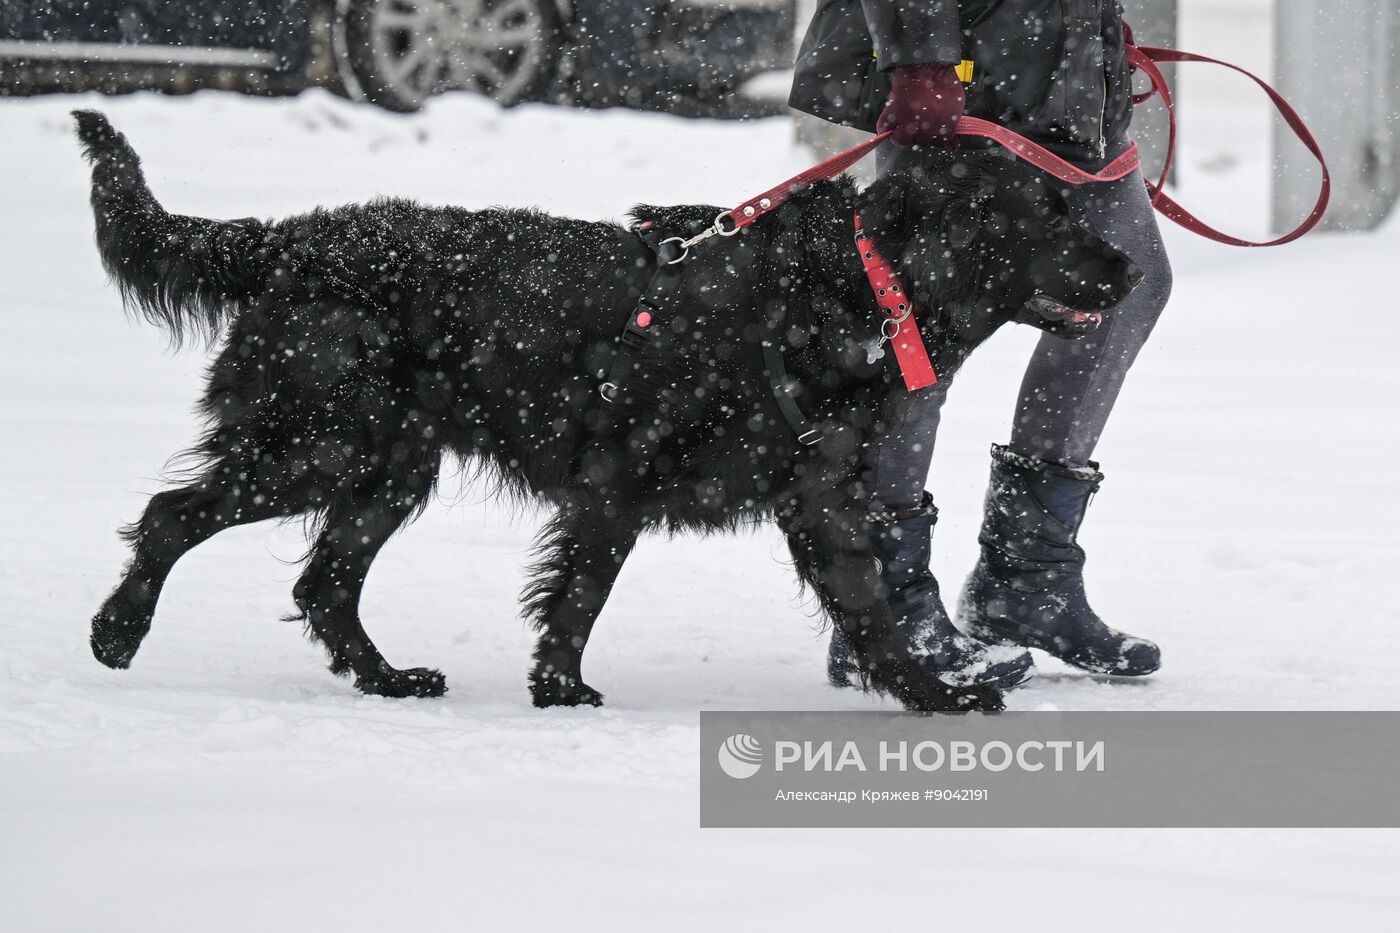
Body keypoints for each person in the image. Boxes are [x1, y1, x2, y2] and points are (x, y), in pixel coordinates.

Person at [789, 0, 1171, 688]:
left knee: (1129, 284)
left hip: (1072, 71)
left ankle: (1027, 578)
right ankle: (879, 603)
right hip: (964, 71)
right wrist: (921, 59)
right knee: (916, 325)